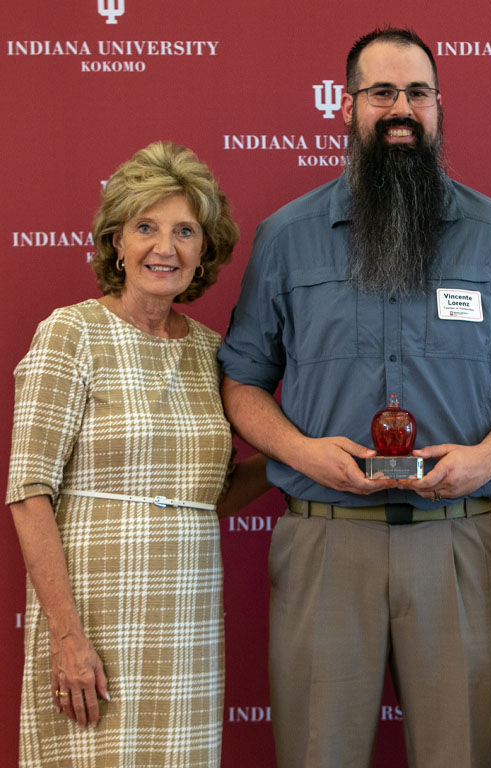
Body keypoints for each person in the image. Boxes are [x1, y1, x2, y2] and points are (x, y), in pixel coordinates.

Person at [218, 27, 491, 768]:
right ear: (346, 108)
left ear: (439, 107)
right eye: (381, 92)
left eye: (417, 93)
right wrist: (304, 451)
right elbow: (242, 383)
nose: (400, 108)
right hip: (324, 538)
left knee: (460, 753)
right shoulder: (285, 237)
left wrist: (488, 458)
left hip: (457, 537)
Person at [6, 141, 268, 767]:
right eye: (146, 227)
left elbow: (209, 493)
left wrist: (298, 460)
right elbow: (28, 491)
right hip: (92, 617)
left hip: (187, 620)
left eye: (185, 231)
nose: (165, 247)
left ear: (204, 250)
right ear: (115, 242)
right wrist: (67, 637)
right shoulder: (70, 333)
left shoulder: (212, 352)